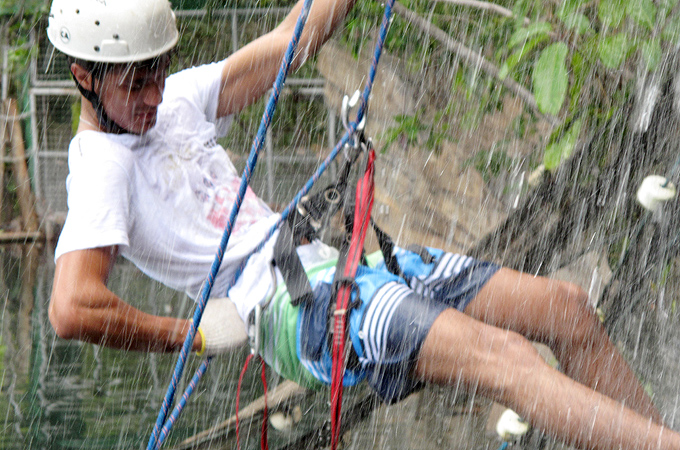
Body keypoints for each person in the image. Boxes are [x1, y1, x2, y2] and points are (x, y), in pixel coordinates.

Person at [46, 0, 680, 448]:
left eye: (159, 70)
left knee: (565, 309)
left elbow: (298, 33)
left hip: (343, 271)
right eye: (137, 82)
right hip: (300, 312)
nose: (155, 93)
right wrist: (192, 334)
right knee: (503, 356)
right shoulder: (101, 169)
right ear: (85, 77)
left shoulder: (176, 99)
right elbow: (72, 308)